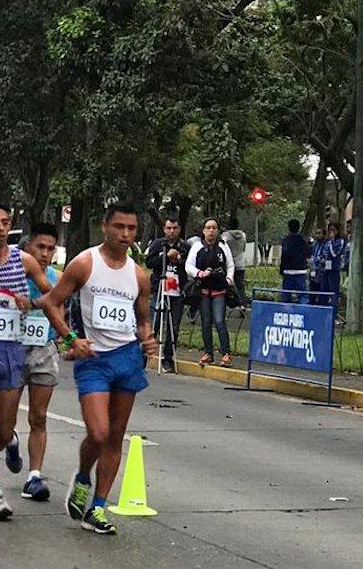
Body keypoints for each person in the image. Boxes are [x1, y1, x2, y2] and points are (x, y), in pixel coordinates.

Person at [40, 202, 156, 535]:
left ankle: (98, 508)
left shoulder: (138, 275)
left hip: (127, 359)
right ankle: (82, 476)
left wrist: (148, 339)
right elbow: (51, 302)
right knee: (98, 433)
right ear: (105, 227)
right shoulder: (85, 263)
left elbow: (142, 320)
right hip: (93, 360)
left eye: (131, 229)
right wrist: (71, 339)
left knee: (115, 436)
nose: (125, 234)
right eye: (119, 227)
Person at [0, 203, 52, 522]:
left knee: (2, 433)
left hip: (13, 351)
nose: (1, 228)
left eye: (6, 222)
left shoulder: (23, 260)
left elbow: (53, 294)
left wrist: (32, 302)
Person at [19, 222, 62, 502]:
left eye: (50, 249)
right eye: (40, 247)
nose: (45, 254)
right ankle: (10, 442)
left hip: (44, 350)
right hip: (11, 350)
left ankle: (34, 476)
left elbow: (59, 308)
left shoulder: (57, 279)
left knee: (39, 416)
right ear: (28, 248)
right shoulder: (12, 273)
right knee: (2, 423)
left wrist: (65, 340)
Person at [185, 218, 234, 367]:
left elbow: (230, 265)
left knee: (219, 321)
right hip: (203, 290)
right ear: (203, 230)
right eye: (208, 227)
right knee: (206, 322)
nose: (211, 230)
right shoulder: (197, 246)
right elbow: (188, 265)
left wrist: (228, 279)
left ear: (218, 230)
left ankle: (226, 353)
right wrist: (199, 273)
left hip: (219, 290)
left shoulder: (223, 246)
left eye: (214, 227)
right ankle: (208, 353)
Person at [144, 217, 189, 372]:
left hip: (177, 291)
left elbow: (190, 266)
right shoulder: (158, 244)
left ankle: (168, 358)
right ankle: (143, 356)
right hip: (160, 289)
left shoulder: (185, 247)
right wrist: (165, 256)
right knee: (154, 324)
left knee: (173, 327)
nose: (172, 231)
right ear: (164, 229)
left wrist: (179, 259)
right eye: (169, 228)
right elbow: (149, 262)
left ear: (179, 229)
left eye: (175, 228)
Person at [279, 219, 310, 304]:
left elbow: (283, 256)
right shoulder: (303, 240)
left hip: (288, 270)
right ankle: (303, 310)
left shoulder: (286, 240)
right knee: (302, 295)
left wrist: (281, 270)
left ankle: (286, 310)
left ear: (289, 228)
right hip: (300, 270)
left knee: (286, 295)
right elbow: (308, 254)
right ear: (298, 227)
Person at [320, 222, 347, 306]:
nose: (331, 232)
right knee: (324, 290)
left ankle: (334, 309)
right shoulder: (327, 242)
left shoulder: (340, 241)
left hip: (334, 269)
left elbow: (334, 254)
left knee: (333, 291)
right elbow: (324, 253)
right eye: (330, 230)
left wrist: (331, 242)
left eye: (333, 230)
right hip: (326, 268)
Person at [222, 218, 247, 304]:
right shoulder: (243, 235)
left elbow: (222, 248)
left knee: (227, 284)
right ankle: (242, 304)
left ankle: (229, 303)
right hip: (241, 263)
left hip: (229, 265)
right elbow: (243, 248)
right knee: (240, 286)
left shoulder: (225, 236)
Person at [308, 227, 326, 303]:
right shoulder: (314, 244)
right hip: (313, 269)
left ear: (324, 234)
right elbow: (311, 255)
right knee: (312, 290)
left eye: (319, 233)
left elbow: (325, 256)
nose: (317, 235)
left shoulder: (326, 244)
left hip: (322, 270)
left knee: (321, 290)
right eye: (316, 233)